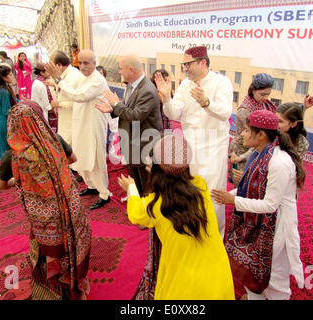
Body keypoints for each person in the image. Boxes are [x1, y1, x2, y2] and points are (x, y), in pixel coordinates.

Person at [119, 134, 235, 300]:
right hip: (218, 276)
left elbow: (135, 213)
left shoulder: (153, 204)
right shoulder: (200, 186)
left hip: (183, 285)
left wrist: (131, 188)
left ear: (156, 169)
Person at [0, 100, 91, 300]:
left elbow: (1, 185)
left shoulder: (12, 156)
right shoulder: (55, 140)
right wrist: (54, 172)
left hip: (44, 223)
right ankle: (77, 283)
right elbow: (73, 159)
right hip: (70, 209)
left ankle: (54, 290)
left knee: (47, 251)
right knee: (72, 245)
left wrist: (22, 181)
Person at [211, 109, 305, 300]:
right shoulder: (258, 154)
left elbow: (270, 205)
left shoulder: (279, 162)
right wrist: (225, 196)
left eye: (246, 130)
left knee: (274, 281)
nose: (243, 134)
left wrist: (233, 200)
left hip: (276, 228)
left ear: (261, 134)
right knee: (253, 274)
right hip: (259, 224)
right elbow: (251, 189)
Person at [154, 45, 233, 238]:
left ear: (202, 62)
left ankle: (215, 237)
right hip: (190, 147)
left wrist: (206, 102)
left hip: (213, 147)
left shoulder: (221, 82)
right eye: (184, 65)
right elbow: (173, 113)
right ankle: (195, 231)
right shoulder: (185, 85)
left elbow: (225, 113)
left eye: (188, 64)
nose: (185, 68)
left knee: (212, 194)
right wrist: (166, 97)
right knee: (191, 190)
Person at [46, 50, 111, 210]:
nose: (82, 66)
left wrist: (58, 80)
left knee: (95, 159)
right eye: (80, 63)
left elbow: (78, 95)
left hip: (93, 124)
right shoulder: (82, 77)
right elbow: (69, 91)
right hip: (80, 123)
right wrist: (57, 82)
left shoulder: (98, 80)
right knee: (81, 155)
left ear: (94, 63)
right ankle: (91, 186)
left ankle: (104, 193)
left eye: (86, 63)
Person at [229, 73, 313, 186]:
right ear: (253, 90)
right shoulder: (245, 111)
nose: (265, 98)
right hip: (245, 148)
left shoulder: (268, 107)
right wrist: (241, 157)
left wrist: (303, 107)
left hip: (259, 151)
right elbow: (251, 139)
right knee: (244, 185)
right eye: (262, 94)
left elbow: (286, 117)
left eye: (268, 94)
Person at [95, 54, 163, 197]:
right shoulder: (132, 85)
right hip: (132, 143)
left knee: (147, 186)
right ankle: (139, 206)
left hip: (144, 145)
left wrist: (115, 104)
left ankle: (148, 214)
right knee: (137, 183)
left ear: (131, 70)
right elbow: (127, 109)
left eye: (121, 69)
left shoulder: (147, 90)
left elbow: (136, 116)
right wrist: (113, 109)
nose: (119, 72)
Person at [47, 50, 82, 146]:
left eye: (51, 66)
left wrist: (59, 104)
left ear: (59, 65)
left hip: (72, 122)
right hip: (64, 120)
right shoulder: (63, 76)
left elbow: (78, 101)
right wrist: (55, 85)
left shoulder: (74, 76)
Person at [0, 65, 17, 159]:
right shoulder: (3, 91)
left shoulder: (2, 88)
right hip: (4, 123)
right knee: (7, 150)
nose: (12, 76)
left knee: (5, 149)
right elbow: (7, 111)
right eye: (10, 74)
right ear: (4, 78)